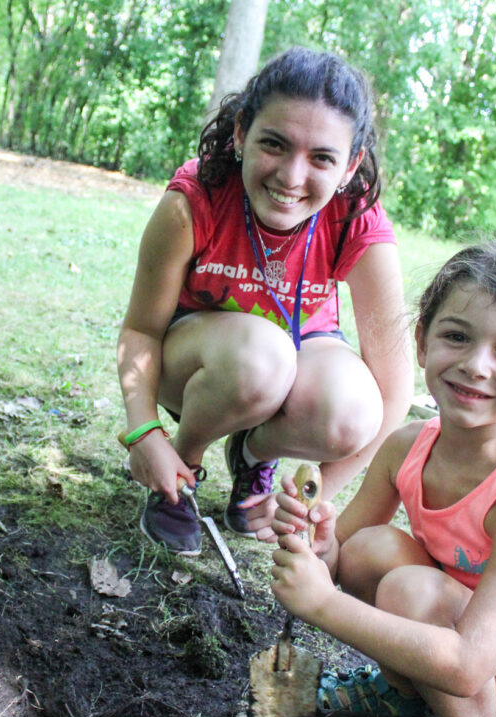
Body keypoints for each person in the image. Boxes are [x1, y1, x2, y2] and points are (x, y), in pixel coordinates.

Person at [270, 240, 496, 717]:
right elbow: (342, 561)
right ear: (423, 343)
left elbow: (470, 664)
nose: (476, 365)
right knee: (370, 549)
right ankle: (407, 702)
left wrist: (321, 605)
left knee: (414, 592)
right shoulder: (408, 445)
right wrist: (319, 545)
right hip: (465, 643)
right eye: (456, 336)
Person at [116, 46, 413, 555]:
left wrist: (311, 495)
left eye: (322, 157)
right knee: (262, 358)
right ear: (240, 133)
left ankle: (254, 458)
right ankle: (176, 472)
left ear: (351, 164)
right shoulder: (195, 199)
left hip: (300, 351)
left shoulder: (356, 219)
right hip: (197, 366)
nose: (291, 178)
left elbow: (394, 396)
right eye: (274, 144)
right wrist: (146, 434)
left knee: (353, 409)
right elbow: (141, 331)